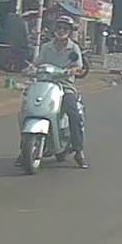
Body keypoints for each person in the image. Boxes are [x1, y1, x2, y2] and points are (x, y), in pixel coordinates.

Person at [32, 16, 88, 168]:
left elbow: (79, 66)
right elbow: (36, 63)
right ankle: (25, 149)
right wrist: (29, 69)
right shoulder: (46, 47)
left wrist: (72, 70)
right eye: (59, 27)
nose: (61, 31)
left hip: (65, 86)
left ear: (69, 31)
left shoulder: (73, 48)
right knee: (28, 108)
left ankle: (78, 151)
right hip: (44, 84)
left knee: (73, 113)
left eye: (65, 28)